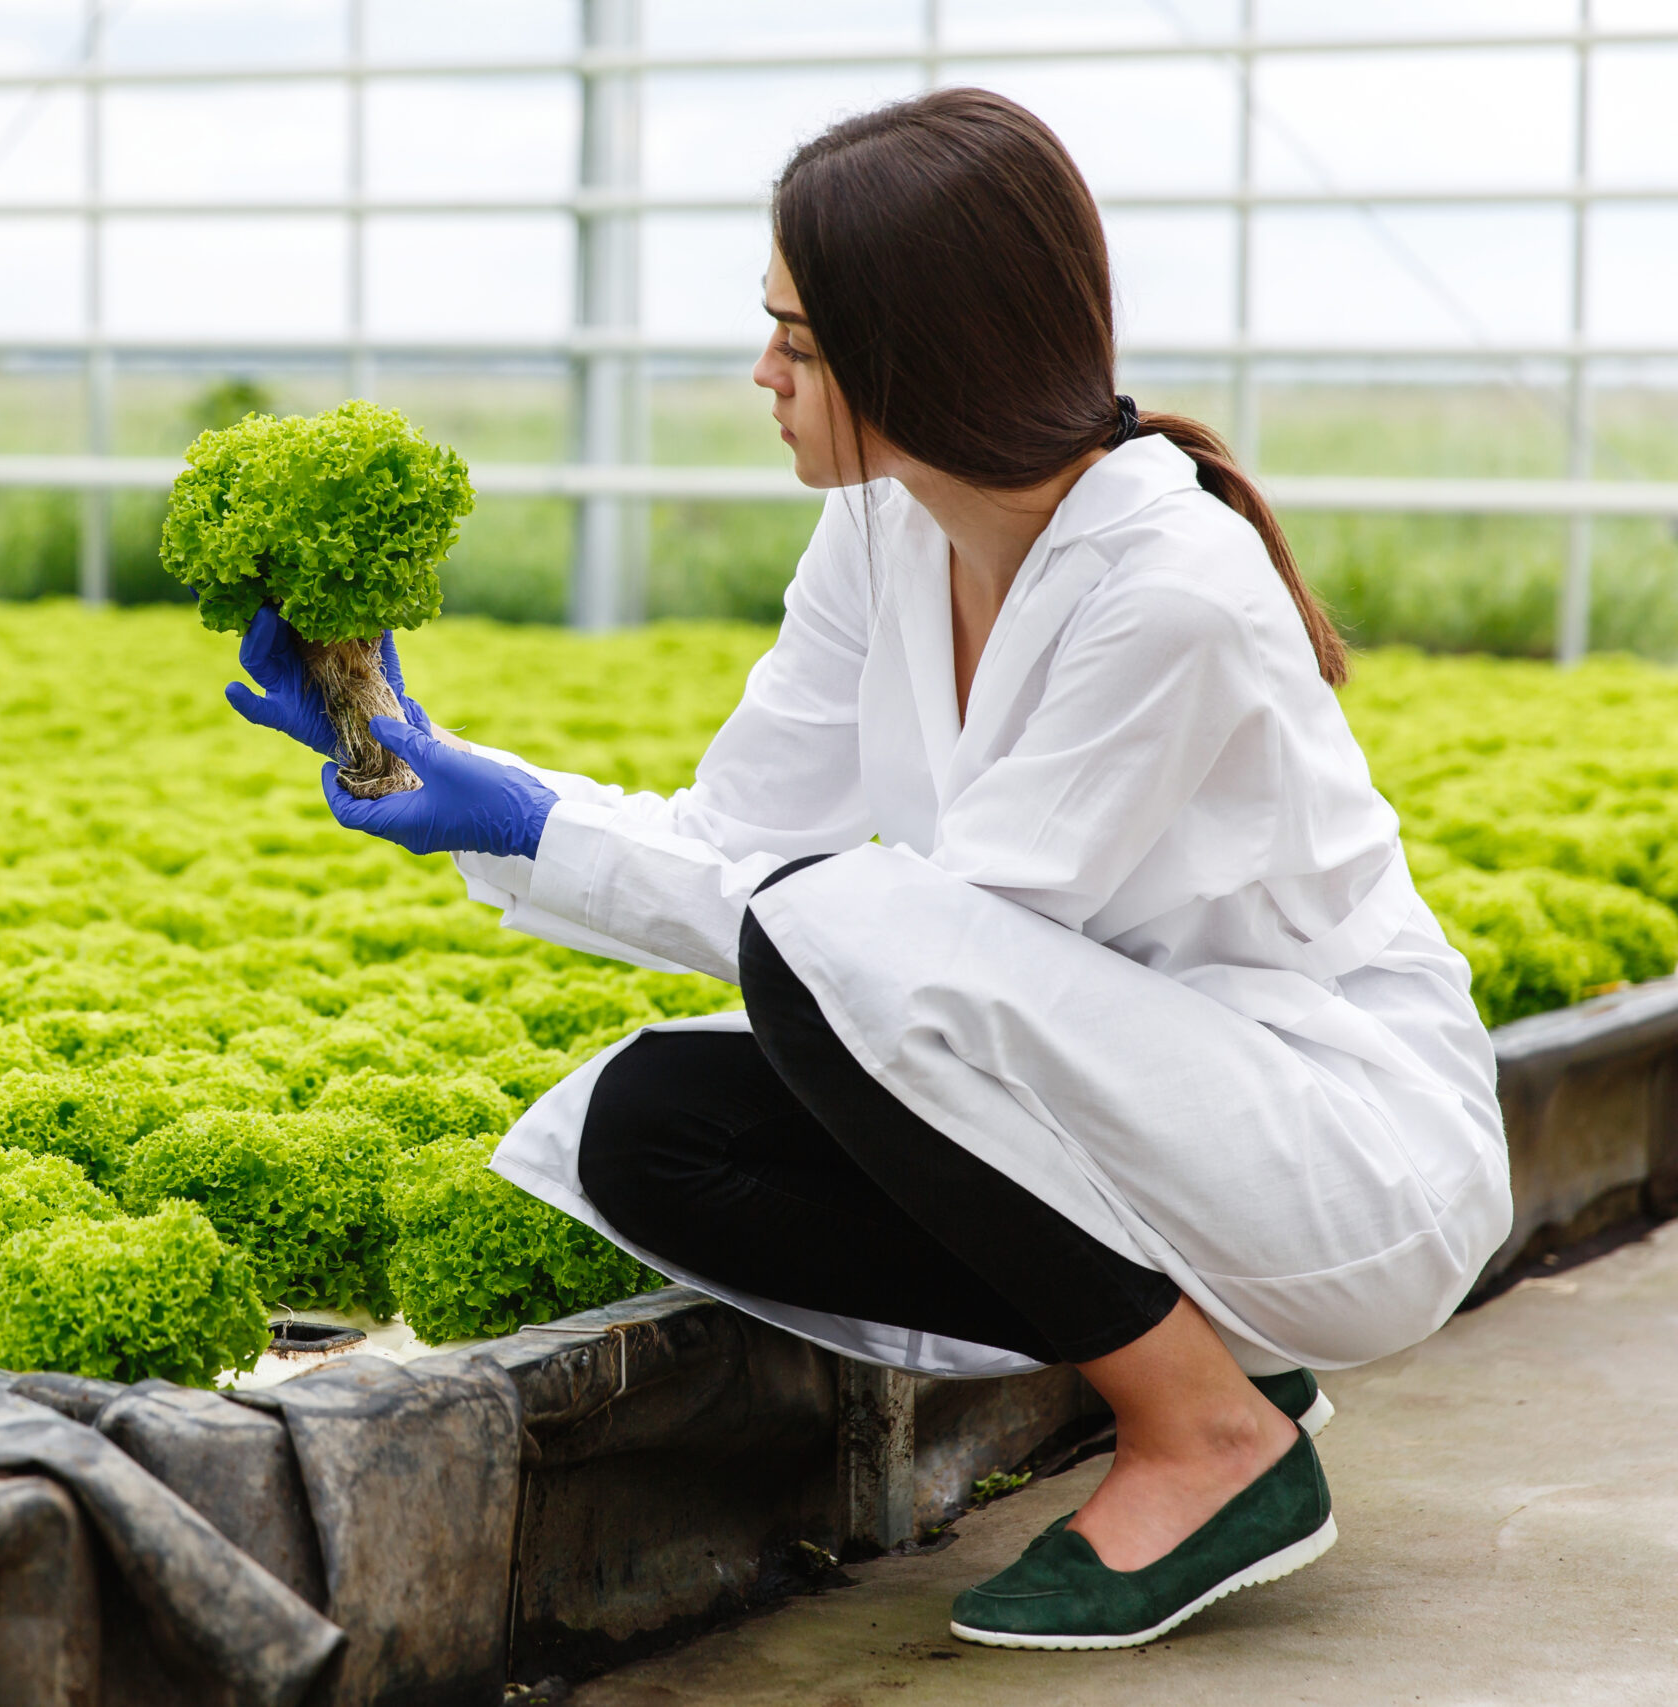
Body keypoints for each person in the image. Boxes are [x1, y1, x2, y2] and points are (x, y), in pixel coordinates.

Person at [225, 88, 1508, 1651]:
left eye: (802, 346)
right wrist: (478, 787)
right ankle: (1212, 1365)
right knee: (653, 1135)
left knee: (841, 934)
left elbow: (910, 950)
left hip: (1336, 1155)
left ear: (926, 354)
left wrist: (535, 827)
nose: (763, 376)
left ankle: (1211, 1435)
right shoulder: (887, 533)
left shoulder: (1169, 590)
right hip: (1130, 1114)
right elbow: (752, 847)